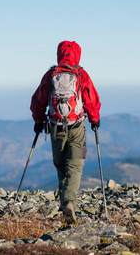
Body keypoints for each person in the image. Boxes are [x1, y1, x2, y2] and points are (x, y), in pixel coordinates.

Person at [30, 40, 101, 224]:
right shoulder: (80, 73)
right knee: (75, 167)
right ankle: (69, 202)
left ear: (59, 54)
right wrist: (94, 119)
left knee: (61, 166)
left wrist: (38, 121)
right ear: (78, 55)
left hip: (56, 128)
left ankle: (65, 206)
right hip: (76, 127)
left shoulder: (50, 74)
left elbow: (38, 101)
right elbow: (91, 99)